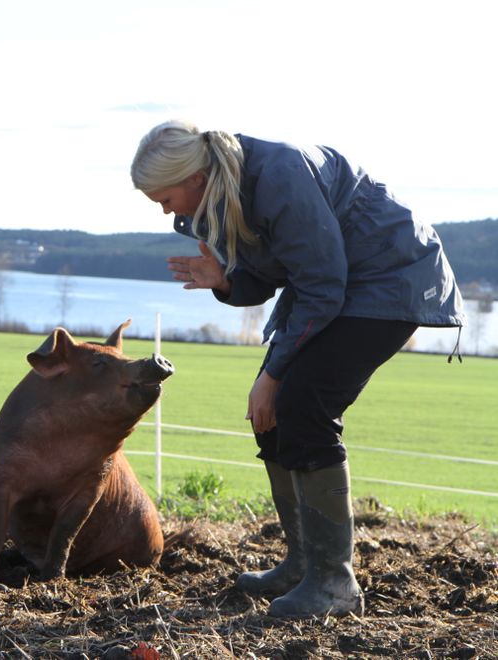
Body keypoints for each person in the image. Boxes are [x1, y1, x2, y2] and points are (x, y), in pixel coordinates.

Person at [131, 120, 465, 618]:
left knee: (304, 405)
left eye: (165, 198)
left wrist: (273, 374)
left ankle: (334, 583)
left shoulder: (279, 175)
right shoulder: (230, 188)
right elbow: (275, 274)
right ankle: (304, 563)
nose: (166, 211)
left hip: (388, 281)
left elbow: (323, 284)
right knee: (275, 413)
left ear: (194, 179)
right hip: (341, 286)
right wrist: (228, 280)